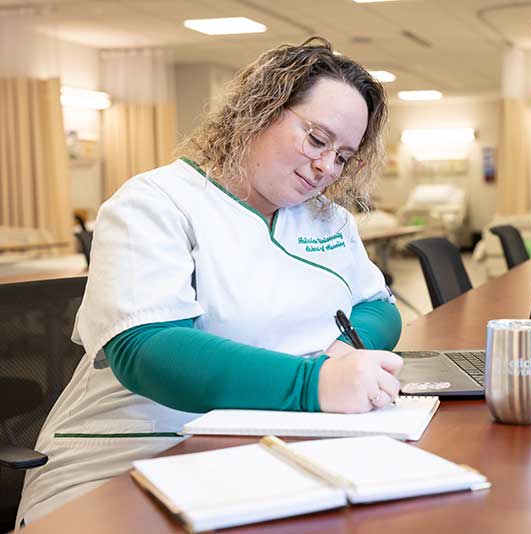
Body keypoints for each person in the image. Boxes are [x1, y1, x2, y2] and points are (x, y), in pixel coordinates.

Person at [16, 37, 403, 527]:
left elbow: (379, 306)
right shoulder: (156, 203)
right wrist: (314, 383)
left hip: (266, 443)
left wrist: (347, 348)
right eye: (317, 139)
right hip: (133, 456)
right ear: (260, 110)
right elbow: (146, 350)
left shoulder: (327, 219)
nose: (327, 167)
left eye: (344, 156)